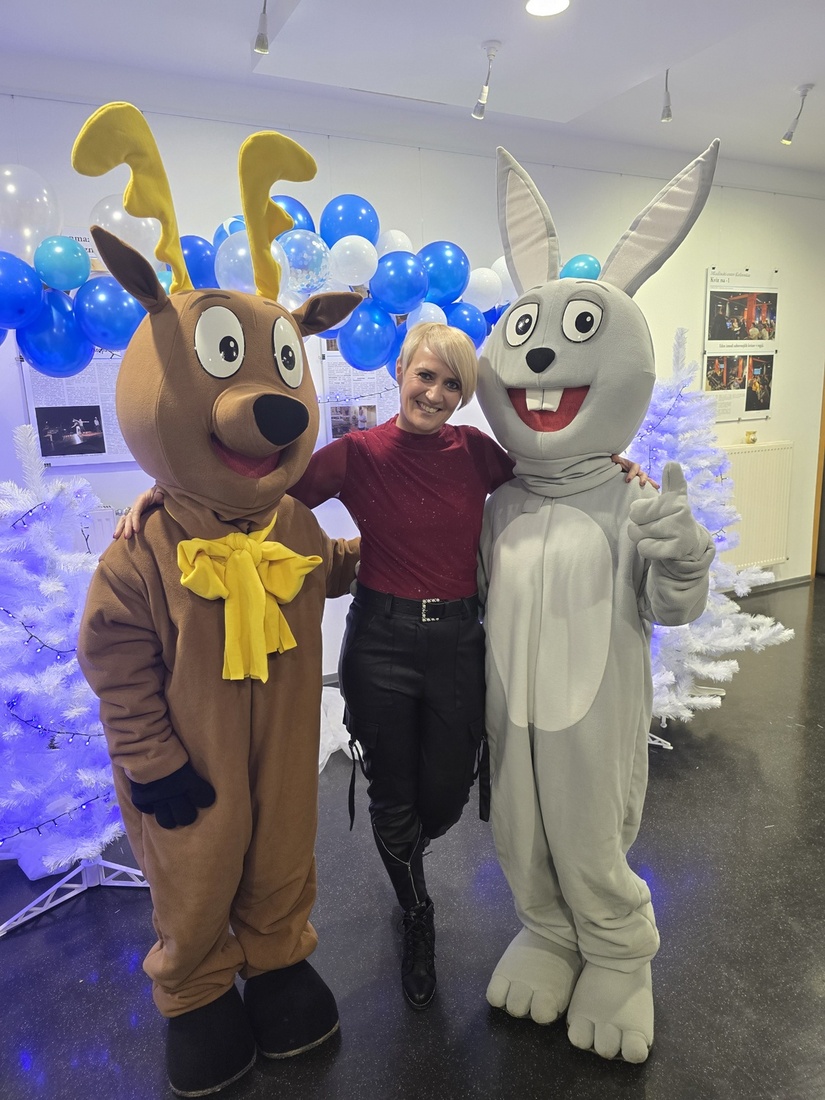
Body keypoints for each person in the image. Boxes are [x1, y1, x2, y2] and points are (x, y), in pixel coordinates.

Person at [118, 321, 648, 1012]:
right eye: (425, 375)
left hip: (458, 642)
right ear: (400, 372)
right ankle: (416, 909)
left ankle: (406, 852)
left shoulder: (477, 453)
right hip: (381, 644)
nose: (435, 393)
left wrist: (616, 467)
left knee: (446, 796)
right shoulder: (357, 454)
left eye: (452, 384)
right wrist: (166, 495)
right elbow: (256, 491)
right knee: (393, 796)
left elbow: (554, 476)